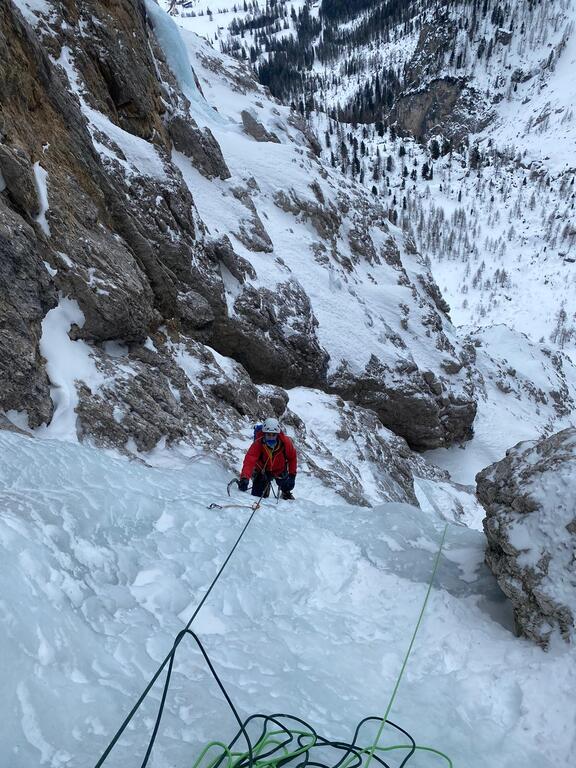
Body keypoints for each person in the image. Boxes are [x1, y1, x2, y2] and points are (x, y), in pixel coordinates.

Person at [238, 417, 297, 500]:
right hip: (262, 470)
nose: (271, 437)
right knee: (257, 496)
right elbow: (249, 461)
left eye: (273, 435)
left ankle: (285, 492)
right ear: (264, 433)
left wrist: (292, 475)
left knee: (286, 485)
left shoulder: (285, 443)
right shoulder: (258, 443)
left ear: (277, 434)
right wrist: (244, 478)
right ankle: (265, 490)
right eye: (268, 434)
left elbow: (292, 458)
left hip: (279, 469)